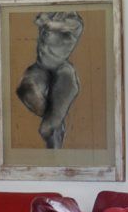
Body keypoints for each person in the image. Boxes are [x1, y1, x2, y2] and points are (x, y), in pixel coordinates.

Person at [17, 11, 84, 149]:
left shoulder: (75, 22)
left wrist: (46, 21)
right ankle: (55, 121)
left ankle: (54, 134)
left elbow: (53, 25)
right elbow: (38, 19)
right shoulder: (50, 13)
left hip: (61, 68)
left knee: (47, 129)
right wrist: (43, 19)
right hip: (40, 67)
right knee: (25, 90)